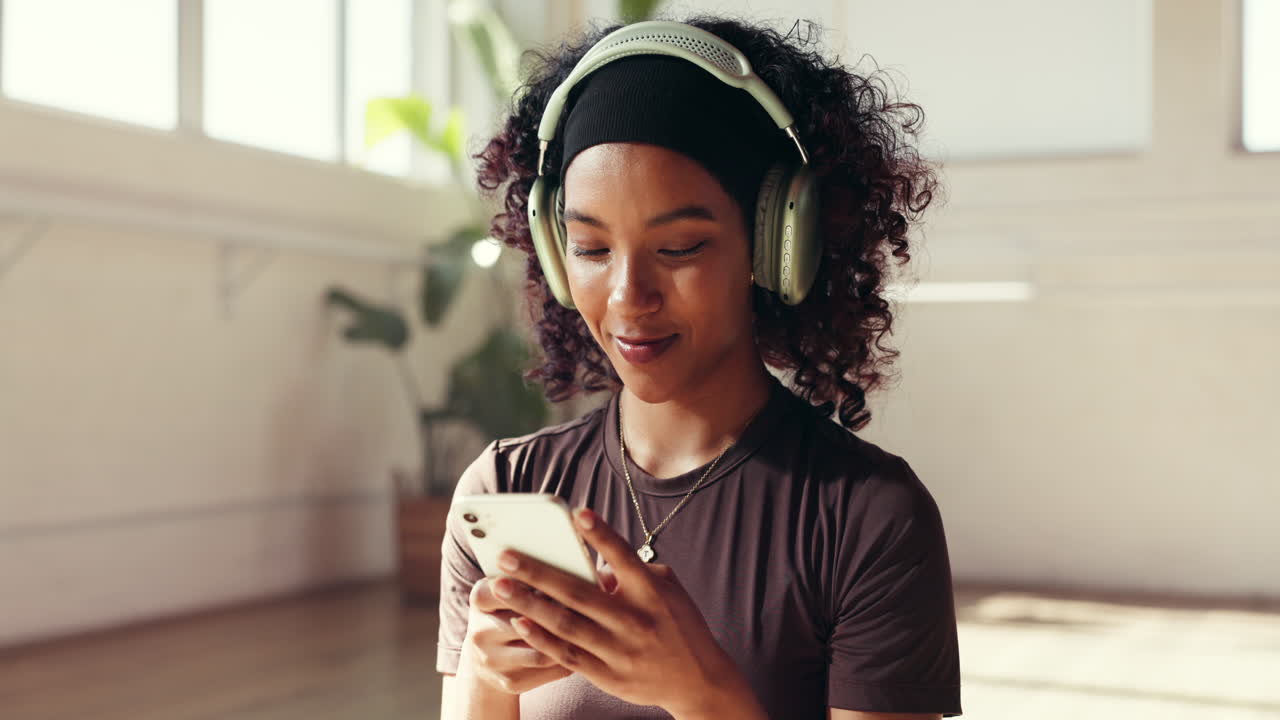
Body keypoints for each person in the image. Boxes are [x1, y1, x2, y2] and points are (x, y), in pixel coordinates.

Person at [436, 13, 961, 720]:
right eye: (591, 248)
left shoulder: (870, 521)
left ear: (777, 243)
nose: (629, 297)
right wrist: (485, 676)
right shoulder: (506, 488)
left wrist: (701, 695)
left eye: (679, 248)